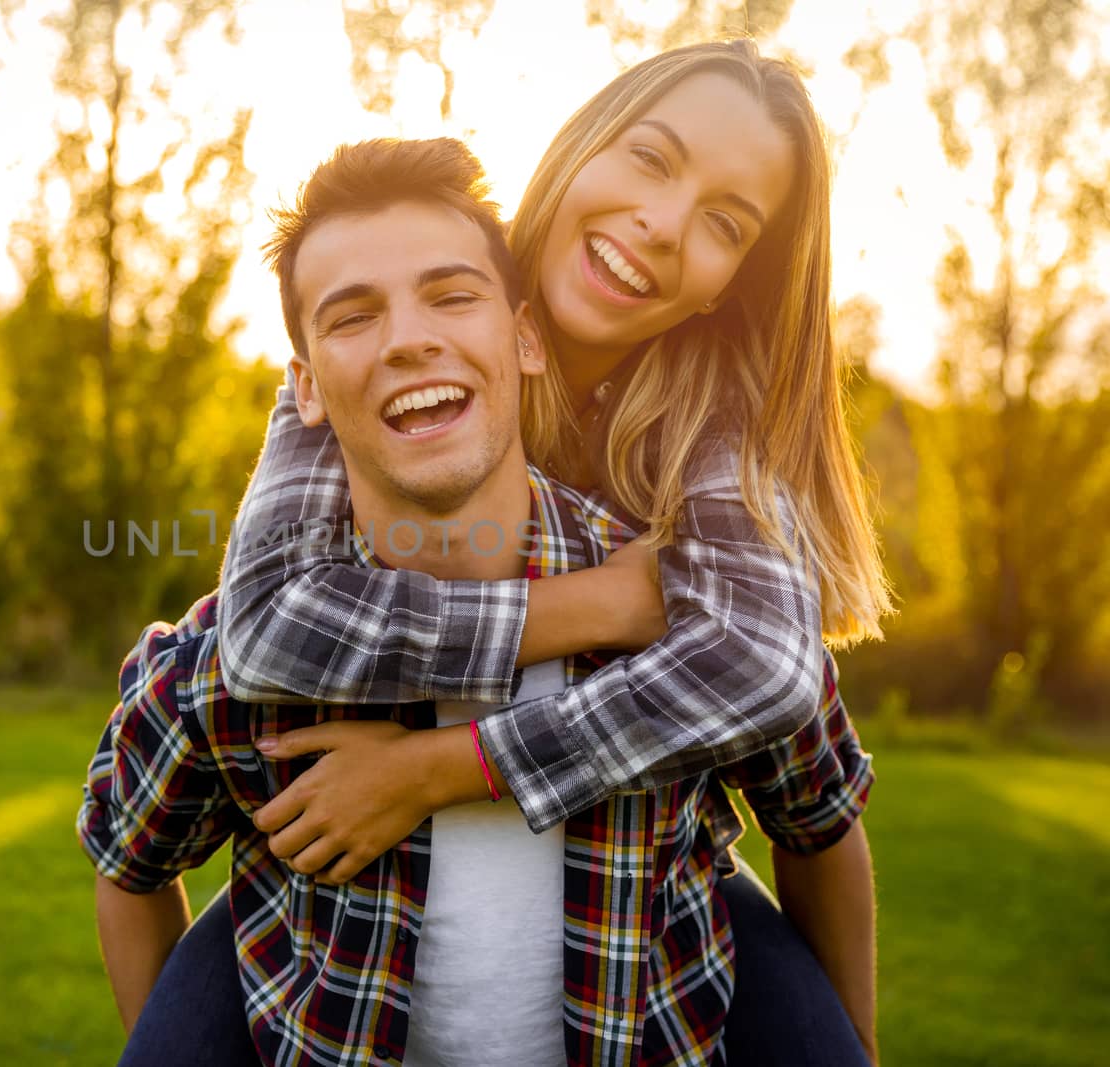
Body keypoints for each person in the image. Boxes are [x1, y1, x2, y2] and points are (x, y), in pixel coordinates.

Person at [147, 37, 886, 1066]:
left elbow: (769, 674)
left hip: (637, 864)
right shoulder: (387, 329)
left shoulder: (710, 422)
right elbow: (268, 625)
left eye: (724, 223)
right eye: (650, 158)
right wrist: (601, 607)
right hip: (346, 887)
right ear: (576, 146)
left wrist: (439, 768)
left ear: (733, 281)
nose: (662, 226)